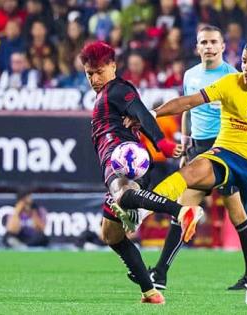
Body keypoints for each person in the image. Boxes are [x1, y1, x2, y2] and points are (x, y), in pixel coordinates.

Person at [116, 38, 247, 305]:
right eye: (244, 61)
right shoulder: (230, 83)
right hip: (225, 154)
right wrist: (150, 115)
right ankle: (140, 211)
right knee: (194, 170)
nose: (245, 67)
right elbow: (189, 102)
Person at [132, 25, 247, 292]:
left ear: (223, 47)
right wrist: (186, 143)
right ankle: (161, 272)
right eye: (204, 42)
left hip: (224, 150)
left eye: (214, 42)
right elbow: (188, 110)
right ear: (197, 47)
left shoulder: (234, 77)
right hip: (197, 149)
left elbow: (241, 116)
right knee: (183, 209)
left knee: (237, 214)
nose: (209, 47)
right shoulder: (190, 75)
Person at [80, 41, 203, 305]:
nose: (94, 78)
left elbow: (142, 114)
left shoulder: (119, 89)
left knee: (124, 194)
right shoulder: (106, 94)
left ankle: (183, 211)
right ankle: (151, 293)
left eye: (99, 71)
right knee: (111, 234)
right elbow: (138, 117)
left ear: (113, 66)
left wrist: (162, 143)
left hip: (124, 157)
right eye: (89, 73)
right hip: (116, 160)